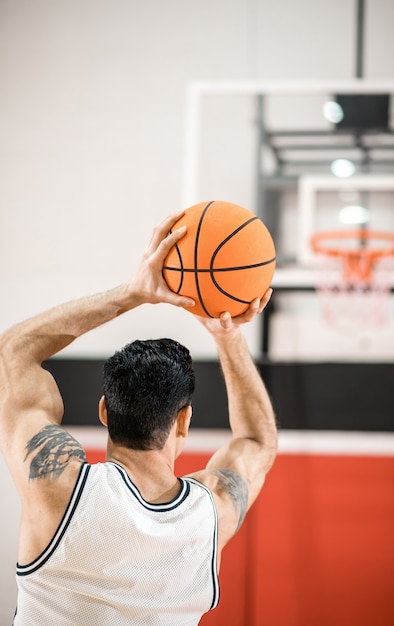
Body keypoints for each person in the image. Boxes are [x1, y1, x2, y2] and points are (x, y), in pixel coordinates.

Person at [0, 210, 278, 626]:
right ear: (184, 421)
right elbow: (258, 441)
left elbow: (13, 351)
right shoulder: (209, 516)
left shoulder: (56, 487)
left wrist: (134, 293)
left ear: (104, 411)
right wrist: (228, 335)